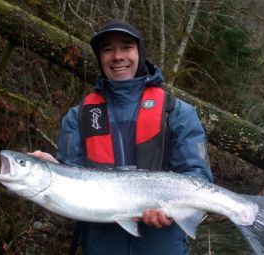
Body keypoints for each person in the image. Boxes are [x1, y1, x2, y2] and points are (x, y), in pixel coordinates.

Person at [31, 21, 213, 255]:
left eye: (126, 47)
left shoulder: (178, 112)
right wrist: (49, 169)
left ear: (140, 53)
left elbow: (198, 175)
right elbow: (71, 176)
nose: (117, 56)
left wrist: (174, 207)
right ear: (100, 58)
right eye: (108, 49)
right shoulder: (77, 117)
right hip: (100, 246)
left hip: (163, 246)